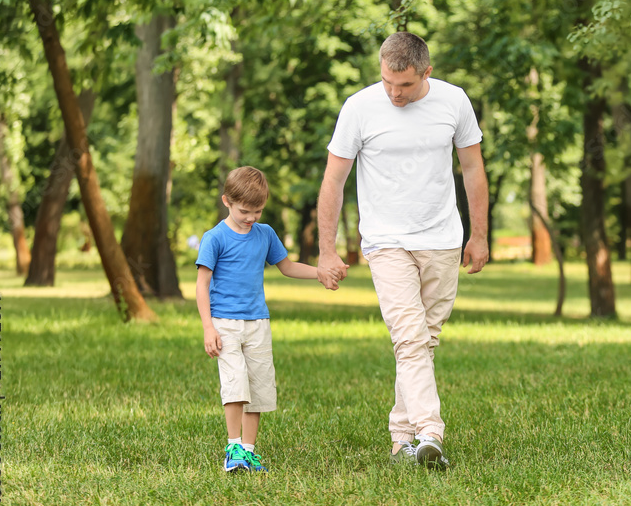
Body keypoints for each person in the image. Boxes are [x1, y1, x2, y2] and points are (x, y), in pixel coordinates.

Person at [317, 32, 488, 470]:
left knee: (424, 341)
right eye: (388, 82)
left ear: (426, 72)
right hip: (386, 241)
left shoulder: (454, 102)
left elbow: (473, 168)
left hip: (443, 239)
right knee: (409, 339)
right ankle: (431, 432)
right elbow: (333, 180)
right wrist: (327, 249)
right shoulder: (359, 107)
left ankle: (400, 440)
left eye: (405, 85)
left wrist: (479, 234)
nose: (394, 93)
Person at [196, 166, 345, 473]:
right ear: (226, 201)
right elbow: (201, 285)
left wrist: (319, 273)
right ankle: (233, 447)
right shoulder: (215, 238)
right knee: (236, 382)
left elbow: (287, 266)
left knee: (259, 388)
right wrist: (208, 327)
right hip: (225, 322)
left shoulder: (265, 235)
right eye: (244, 211)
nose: (251, 217)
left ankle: (248, 451)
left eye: (258, 211)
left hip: (258, 324)